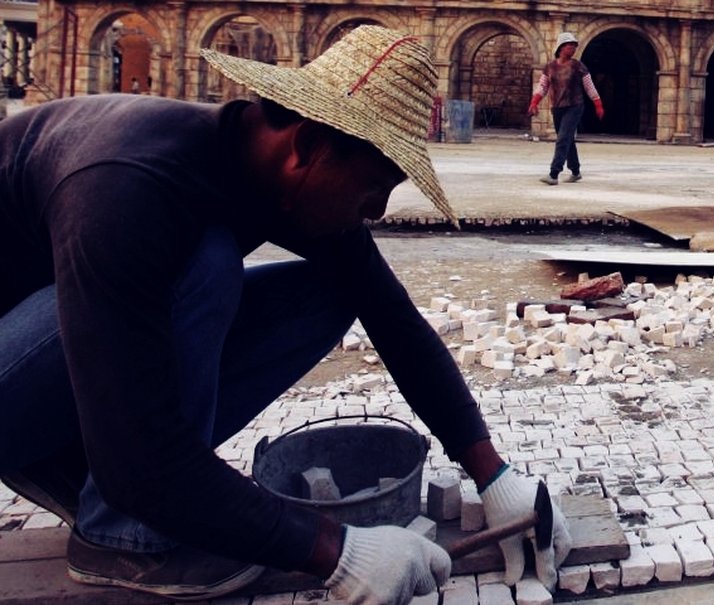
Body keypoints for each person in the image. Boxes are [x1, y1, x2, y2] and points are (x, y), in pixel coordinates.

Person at [0, 26, 569, 604]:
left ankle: (70, 460)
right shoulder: (129, 188)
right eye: (375, 186)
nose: (377, 209)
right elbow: (140, 464)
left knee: (327, 292)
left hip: (66, 349)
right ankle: (121, 538)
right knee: (207, 264)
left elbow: (391, 316)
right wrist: (334, 551)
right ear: (305, 148)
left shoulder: (268, 166)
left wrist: (492, 474)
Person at [528, 32, 605, 186]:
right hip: (557, 107)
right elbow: (543, 86)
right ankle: (575, 171)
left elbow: (589, 86)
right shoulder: (550, 67)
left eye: (574, 46)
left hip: (575, 106)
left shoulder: (578, 66)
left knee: (562, 138)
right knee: (567, 139)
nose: (573, 48)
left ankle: (553, 173)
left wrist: (598, 104)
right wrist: (534, 102)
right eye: (570, 45)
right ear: (561, 47)